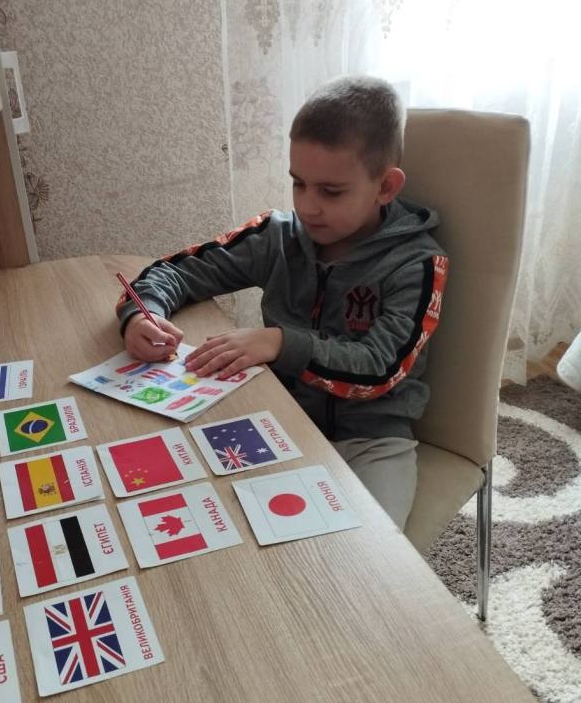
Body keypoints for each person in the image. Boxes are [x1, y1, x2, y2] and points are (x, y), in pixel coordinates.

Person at [116, 75, 449, 530]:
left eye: (331, 191)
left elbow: (380, 369)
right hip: (276, 419)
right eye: (298, 184)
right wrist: (143, 313)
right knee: (209, 521)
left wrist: (280, 342)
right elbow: (176, 270)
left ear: (386, 187)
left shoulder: (419, 264)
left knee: (371, 558)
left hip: (372, 442)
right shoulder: (277, 235)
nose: (308, 206)